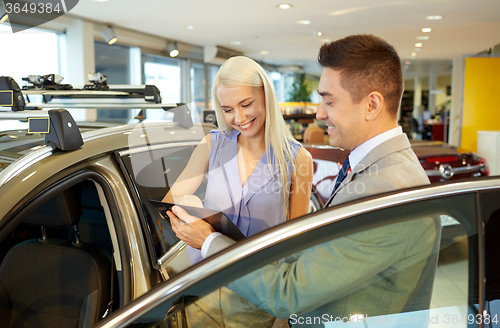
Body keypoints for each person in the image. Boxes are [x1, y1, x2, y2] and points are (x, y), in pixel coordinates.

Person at [168, 35, 438, 327]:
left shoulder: (385, 187)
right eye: (228, 109)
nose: (319, 114)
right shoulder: (373, 169)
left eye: (329, 100)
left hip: (262, 295)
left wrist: (208, 240)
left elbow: (291, 281)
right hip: (211, 287)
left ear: (371, 105)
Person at [164, 56, 313, 327]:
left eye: (246, 104)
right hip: (203, 287)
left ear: (266, 96)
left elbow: (296, 245)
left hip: (259, 295)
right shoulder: (213, 144)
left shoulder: (297, 159)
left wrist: (284, 315)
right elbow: (169, 202)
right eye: (228, 109)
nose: (239, 118)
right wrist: (188, 204)